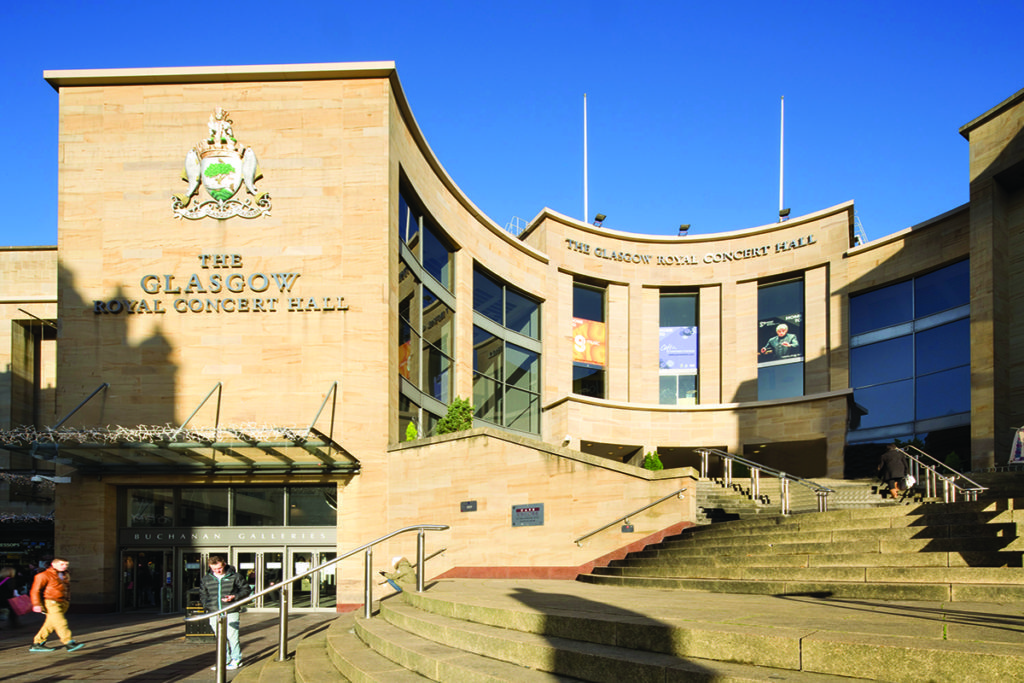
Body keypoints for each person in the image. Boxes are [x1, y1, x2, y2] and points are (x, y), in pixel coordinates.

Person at [199, 555, 250, 670]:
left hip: (231, 610)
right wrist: (207, 606)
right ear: (210, 567)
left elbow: (246, 590)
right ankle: (224, 660)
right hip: (214, 611)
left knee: (232, 636)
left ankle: (236, 659)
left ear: (224, 564)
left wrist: (235, 597)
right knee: (220, 638)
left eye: (219, 568)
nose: (217, 571)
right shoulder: (206, 579)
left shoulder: (235, 576)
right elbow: (203, 594)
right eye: (214, 569)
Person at [28, 557, 85, 652]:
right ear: (53, 564)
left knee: (50, 624)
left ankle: (37, 643)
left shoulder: (65, 574)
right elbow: (35, 590)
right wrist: (36, 604)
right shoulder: (43, 575)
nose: (64, 566)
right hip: (51, 602)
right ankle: (68, 642)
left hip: (62, 602)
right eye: (61, 564)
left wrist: (66, 600)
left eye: (66, 564)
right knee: (61, 622)